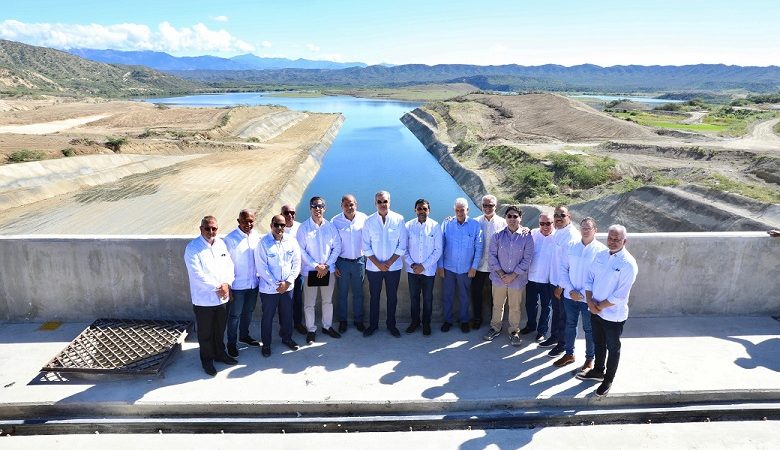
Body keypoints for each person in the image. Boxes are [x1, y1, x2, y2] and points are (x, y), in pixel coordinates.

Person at [576, 224, 639, 397]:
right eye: (610, 238)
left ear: (624, 241)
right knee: (598, 343)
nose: (612, 242)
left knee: (613, 347)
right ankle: (598, 371)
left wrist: (598, 306)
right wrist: (590, 302)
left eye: (617, 239)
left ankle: (608, 379)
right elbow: (589, 279)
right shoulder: (601, 255)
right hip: (595, 310)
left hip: (613, 315)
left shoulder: (628, 264)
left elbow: (620, 295)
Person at [183, 216, 237, 376]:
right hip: (203, 301)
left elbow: (229, 265)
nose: (211, 231)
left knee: (219, 330)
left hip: (222, 298)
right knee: (205, 334)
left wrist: (227, 283)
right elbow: (197, 275)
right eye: (207, 228)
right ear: (201, 229)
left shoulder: (220, 244)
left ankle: (220, 354)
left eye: (214, 228)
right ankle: (207, 361)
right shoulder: (193, 248)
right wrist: (218, 287)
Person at [555, 217, 607, 372]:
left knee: (589, 329)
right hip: (570, 296)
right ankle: (569, 354)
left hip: (588, 299)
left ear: (595, 230)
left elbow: (600, 277)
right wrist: (570, 290)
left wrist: (583, 294)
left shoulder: (601, 251)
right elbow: (563, 269)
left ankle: (589, 359)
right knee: (569, 325)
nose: (585, 230)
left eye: (589, 228)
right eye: (583, 227)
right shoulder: (571, 246)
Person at [483, 205, 534, 345]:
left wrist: (513, 276)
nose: (512, 219)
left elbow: (527, 259)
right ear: (505, 218)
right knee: (497, 305)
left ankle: (514, 331)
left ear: (520, 218)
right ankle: (495, 328)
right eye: (509, 216)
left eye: (515, 216)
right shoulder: (497, 235)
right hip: (498, 279)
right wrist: (501, 274)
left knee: (515, 307)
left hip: (517, 280)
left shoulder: (527, 237)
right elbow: (492, 256)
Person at [254, 214, 302, 357]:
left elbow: (296, 263)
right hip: (269, 289)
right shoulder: (263, 243)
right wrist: (277, 284)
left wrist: (288, 282)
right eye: (276, 225)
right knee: (267, 317)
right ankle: (266, 345)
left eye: (282, 225)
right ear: (271, 225)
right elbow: (261, 267)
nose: (279, 228)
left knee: (287, 315)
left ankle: (287, 338)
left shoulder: (292, 241)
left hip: (287, 287)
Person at [297, 196, 342, 344]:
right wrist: (316, 265)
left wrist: (327, 265)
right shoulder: (303, 228)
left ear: (324, 208)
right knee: (309, 303)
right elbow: (301, 251)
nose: (317, 209)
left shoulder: (331, 227)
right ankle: (311, 330)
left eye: (320, 206)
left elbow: (337, 247)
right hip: (311, 271)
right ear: (310, 208)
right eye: (314, 206)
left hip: (327, 271)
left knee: (327, 301)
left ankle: (327, 327)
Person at [362, 190, 407, 338]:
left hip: (393, 267)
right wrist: (378, 264)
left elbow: (402, 245)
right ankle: (373, 325)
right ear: (375, 203)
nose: (382, 204)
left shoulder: (399, 219)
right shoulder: (368, 221)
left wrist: (388, 263)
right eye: (379, 202)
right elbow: (366, 246)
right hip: (373, 268)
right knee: (374, 297)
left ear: (389, 202)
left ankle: (391, 325)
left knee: (392, 297)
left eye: (385, 201)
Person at [540, 205, 581, 359]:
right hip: (554, 281)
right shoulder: (558, 231)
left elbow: (569, 265)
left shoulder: (572, 236)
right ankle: (554, 337)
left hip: (562, 284)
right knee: (556, 312)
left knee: (564, 315)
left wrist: (561, 286)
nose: (558, 217)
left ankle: (562, 345)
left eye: (562, 215)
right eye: (556, 215)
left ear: (569, 217)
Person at [438, 197, 484, 333]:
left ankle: (464, 321)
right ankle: (448, 321)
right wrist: (440, 266)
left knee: (464, 297)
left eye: (462, 210)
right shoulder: (447, 223)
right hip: (448, 268)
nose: (459, 212)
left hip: (466, 269)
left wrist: (474, 267)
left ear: (467, 210)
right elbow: (440, 245)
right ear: (454, 210)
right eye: (457, 210)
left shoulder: (475, 225)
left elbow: (479, 247)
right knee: (447, 296)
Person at [222, 209, 261, 359]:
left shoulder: (256, 236)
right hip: (237, 286)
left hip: (253, 284)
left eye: (251, 221)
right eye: (245, 221)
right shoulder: (230, 239)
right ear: (238, 221)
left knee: (248, 312)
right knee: (234, 316)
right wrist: (228, 286)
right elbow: (224, 264)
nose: (248, 224)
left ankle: (244, 336)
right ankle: (231, 344)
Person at [404, 199, 443, 336]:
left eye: (424, 209)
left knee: (427, 299)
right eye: (419, 208)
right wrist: (413, 265)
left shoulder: (435, 226)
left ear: (429, 210)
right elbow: (404, 248)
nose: (422, 211)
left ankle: (426, 324)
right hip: (412, 270)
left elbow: (438, 250)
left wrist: (424, 266)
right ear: (415, 210)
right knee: (414, 298)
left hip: (429, 271)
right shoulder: (408, 226)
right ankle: (414, 322)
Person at [331, 194, 368, 333]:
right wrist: (334, 265)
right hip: (342, 263)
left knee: (358, 293)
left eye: (351, 204)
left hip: (359, 262)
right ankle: (343, 321)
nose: (349, 207)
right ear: (341, 206)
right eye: (346, 205)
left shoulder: (364, 218)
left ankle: (359, 321)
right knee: (342, 294)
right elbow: (332, 245)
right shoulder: (335, 221)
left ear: (356, 205)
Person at [471, 195, 507, 330]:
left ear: (495, 206)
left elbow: (516, 229)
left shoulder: (503, 223)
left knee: (495, 297)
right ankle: (477, 319)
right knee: (476, 294)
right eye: (485, 205)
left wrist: (525, 229)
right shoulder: (475, 222)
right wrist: (449, 219)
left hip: (496, 267)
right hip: (478, 265)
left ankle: (495, 321)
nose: (487, 208)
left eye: (490, 205)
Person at [522, 213, 556, 344]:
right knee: (530, 304)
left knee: (546, 307)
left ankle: (542, 331)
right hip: (531, 277)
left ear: (553, 223)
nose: (545, 226)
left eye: (548, 223)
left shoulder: (557, 237)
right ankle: (531, 326)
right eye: (542, 223)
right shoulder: (533, 233)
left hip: (548, 280)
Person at [281, 204, 307, 335]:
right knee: (283, 302)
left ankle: (297, 323)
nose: (289, 215)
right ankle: (284, 326)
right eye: (286, 213)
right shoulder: (278, 228)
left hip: (298, 271)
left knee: (297, 299)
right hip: (282, 274)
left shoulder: (300, 227)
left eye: (292, 212)